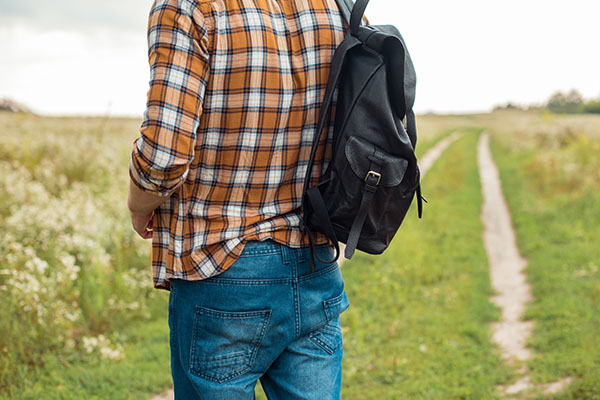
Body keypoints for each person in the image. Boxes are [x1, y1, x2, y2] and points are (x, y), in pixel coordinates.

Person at [127, 0, 357, 398]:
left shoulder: (190, 7)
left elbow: (163, 157)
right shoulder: (338, 6)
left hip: (222, 268)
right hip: (315, 262)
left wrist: (137, 206)